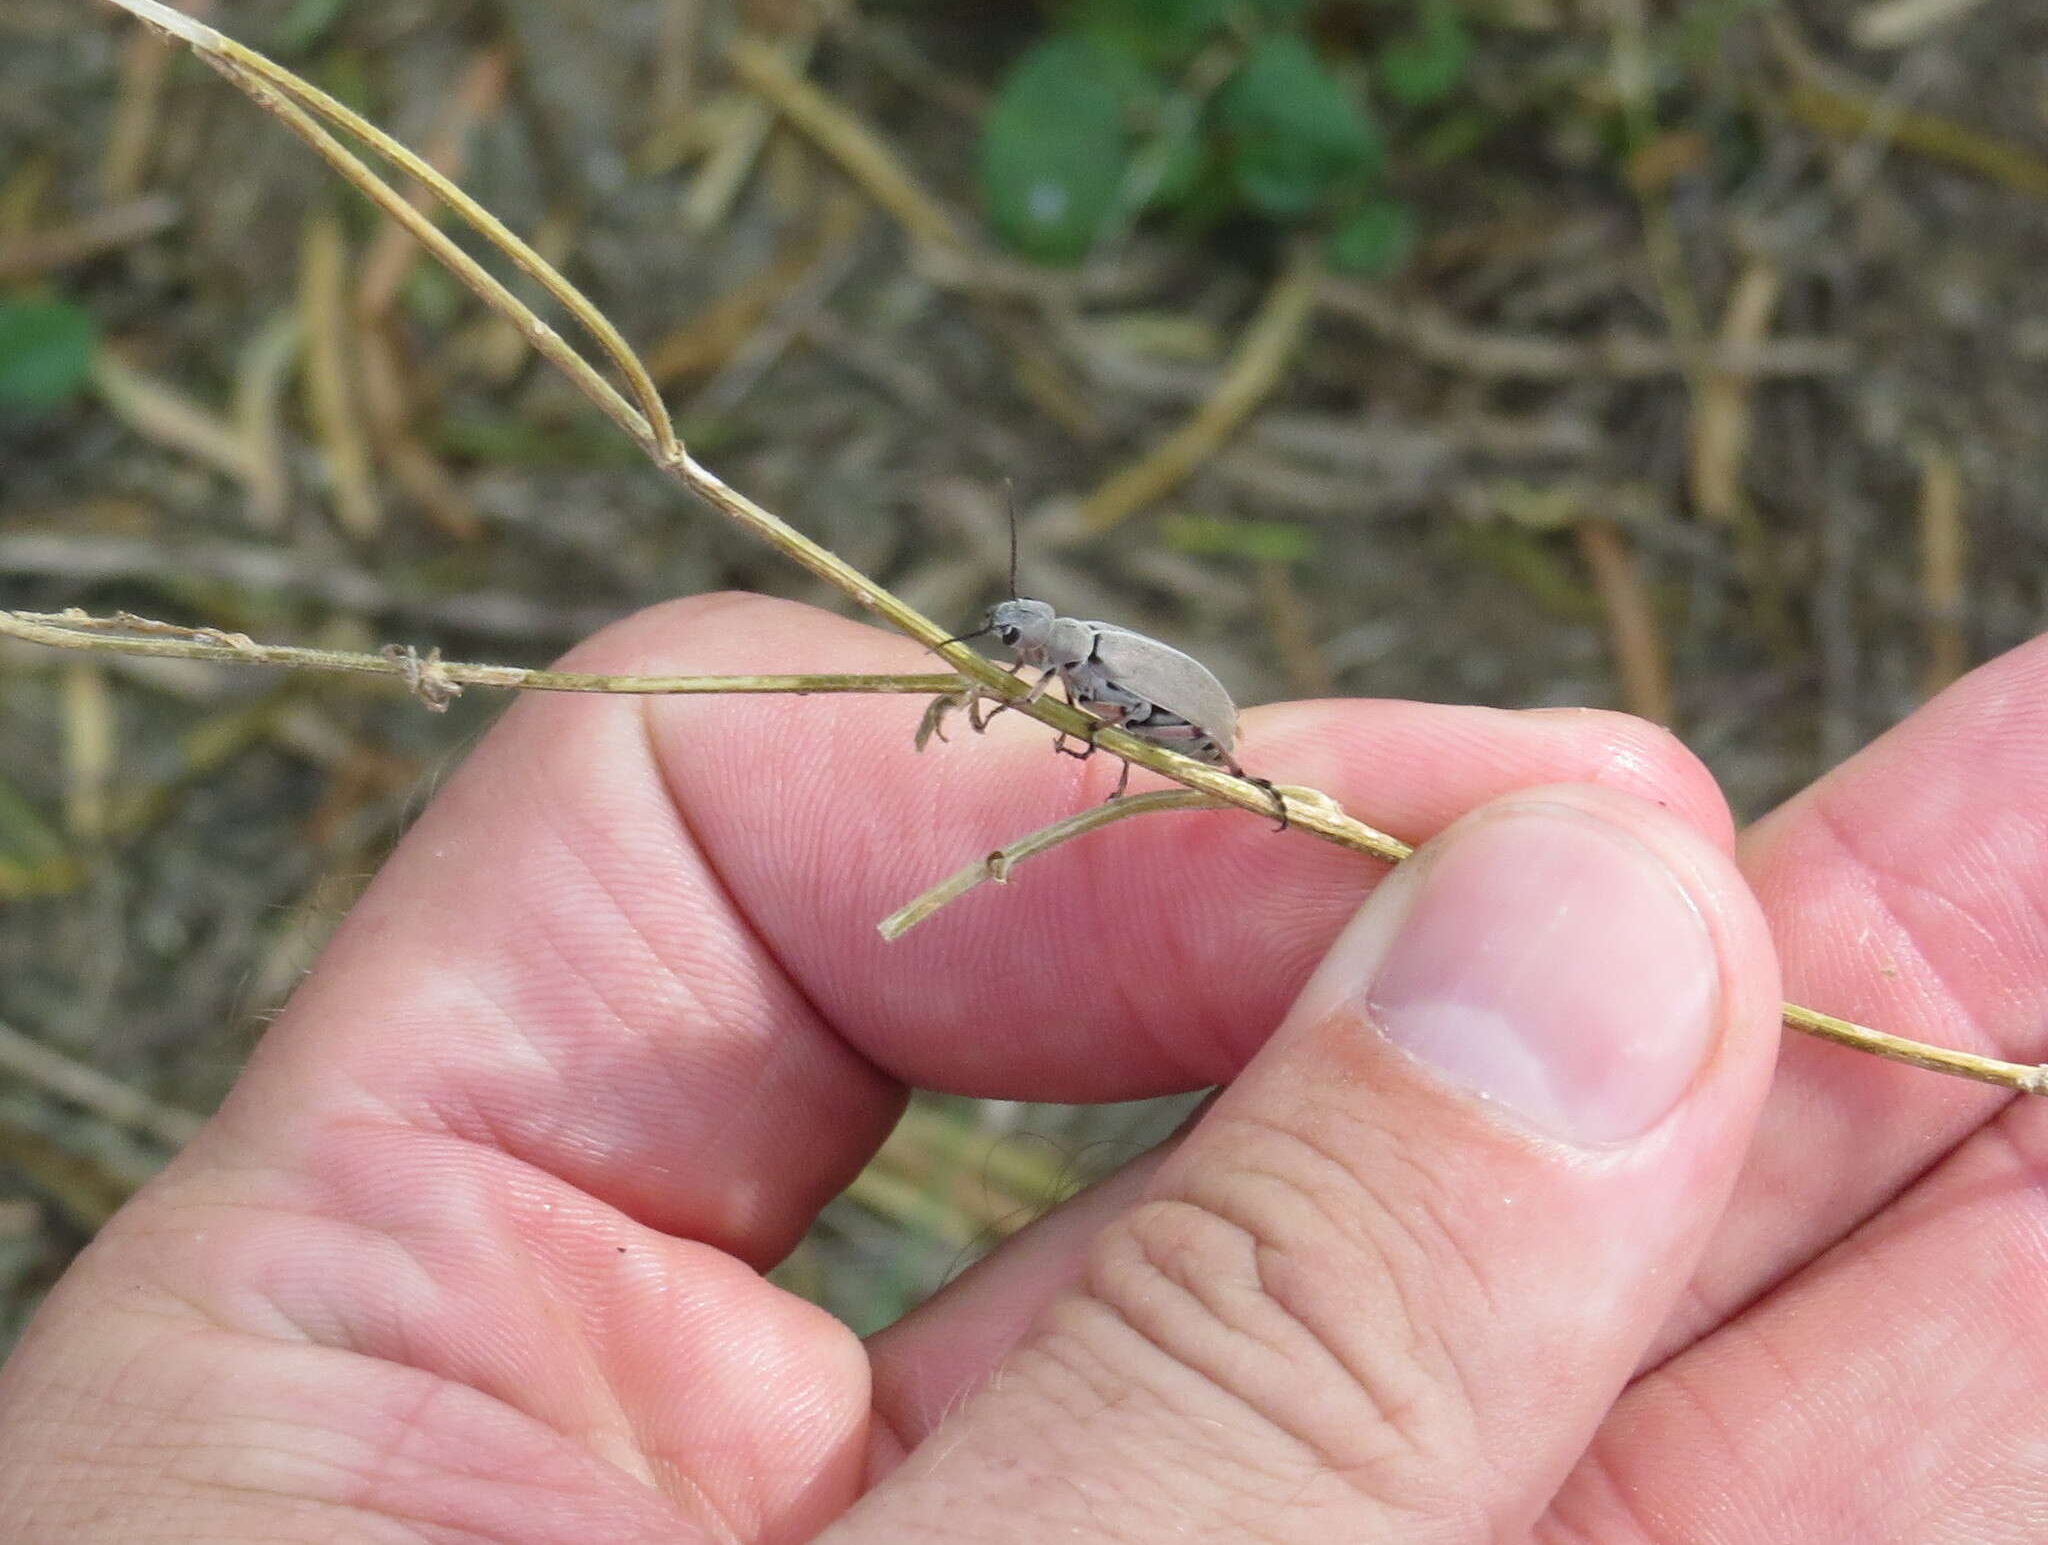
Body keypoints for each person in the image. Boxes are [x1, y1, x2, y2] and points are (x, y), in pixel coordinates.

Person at [0, 590, 2040, 1542]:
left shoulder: (1089, 681)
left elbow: (1124, 716)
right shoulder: (1039, 674)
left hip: (1199, 734)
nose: (1012, 657)